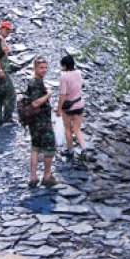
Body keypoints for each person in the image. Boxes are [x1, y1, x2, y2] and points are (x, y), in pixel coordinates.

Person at [25, 56, 58, 187]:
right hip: (41, 122)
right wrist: (48, 94)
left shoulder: (36, 82)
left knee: (36, 147)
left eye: (45, 67)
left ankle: (33, 178)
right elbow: (35, 103)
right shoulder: (36, 83)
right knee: (49, 147)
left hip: (35, 122)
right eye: (41, 68)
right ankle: (47, 176)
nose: (44, 70)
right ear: (35, 68)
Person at [56, 54, 87, 160]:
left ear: (65, 65)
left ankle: (70, 150)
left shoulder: (64, 76)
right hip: (79, 104)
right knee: (77, 129)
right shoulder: (79, 73)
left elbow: (62, 95)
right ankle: (84, 148)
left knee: (68, 129)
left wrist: (58, 109)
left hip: (68, 107)